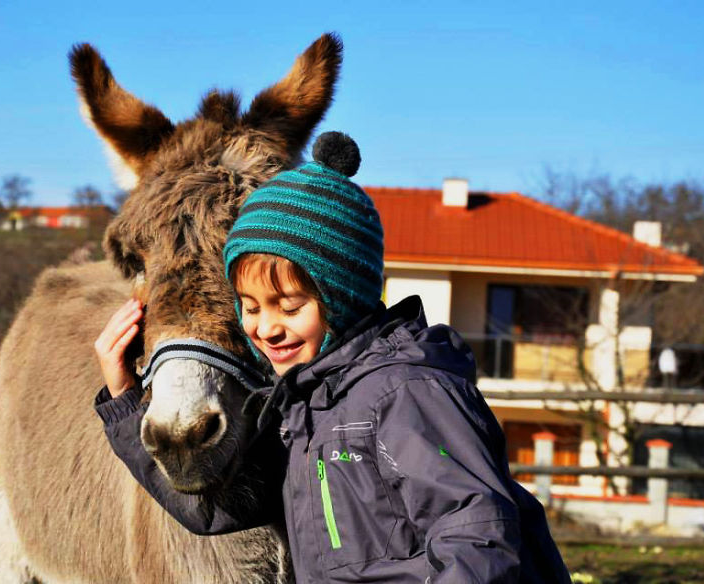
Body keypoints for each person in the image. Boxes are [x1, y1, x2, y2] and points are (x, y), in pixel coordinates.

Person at [94, 132, 571, 583]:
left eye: (290, 305)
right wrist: (123, 402)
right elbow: (215, 510)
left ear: (339, 297)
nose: (266, 326)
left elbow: (477, 533)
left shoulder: (404, 393)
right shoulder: (302, 411)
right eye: (251, 306)